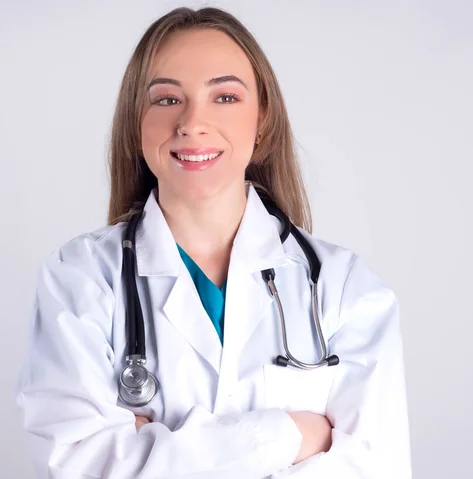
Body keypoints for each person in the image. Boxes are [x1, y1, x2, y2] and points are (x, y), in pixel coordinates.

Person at [15, 6, 411, 478]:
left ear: (262, 119)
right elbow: (78, 465)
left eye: (224, 97)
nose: (192, 122)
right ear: (136, 122)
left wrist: (150, 451)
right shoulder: (79, 278)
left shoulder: (343, 288)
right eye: (166, 99)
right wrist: (291, 435)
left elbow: (375, 469)